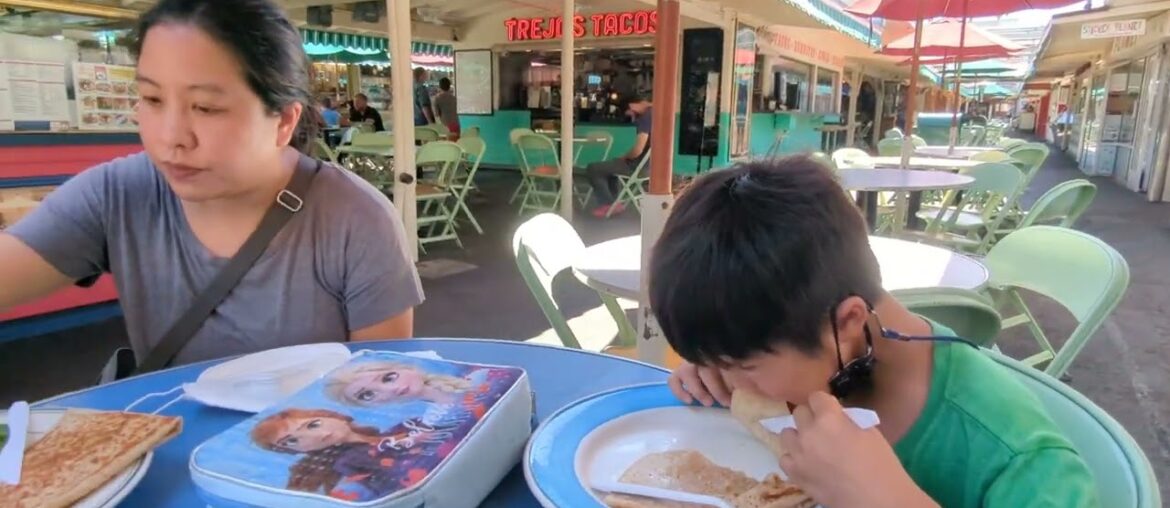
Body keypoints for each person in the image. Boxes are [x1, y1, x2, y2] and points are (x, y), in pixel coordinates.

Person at [650, 156, 1100, 508]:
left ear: (846, 324)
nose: (731, 380)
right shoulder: (809, 343)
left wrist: (887, 500)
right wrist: (723, 351)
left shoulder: (1018, 460)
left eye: (743, 364)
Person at [0, 0, 423, 368]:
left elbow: (380, 396)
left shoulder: (356, 221)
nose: (172, 137)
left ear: (285, 121)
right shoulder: (116, 196)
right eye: (151, 99)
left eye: (205, 107)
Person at [585, 95, 652, 218]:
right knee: (611, 167)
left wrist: (625, 157)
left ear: (632, 106)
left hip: (637, 167)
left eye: (629, 113)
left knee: (593, 168)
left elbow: (638, 149)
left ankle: (607, 204)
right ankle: (614, 204)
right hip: (650, 168)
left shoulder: (646, 117)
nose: (632, 117)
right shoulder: (656, 113)